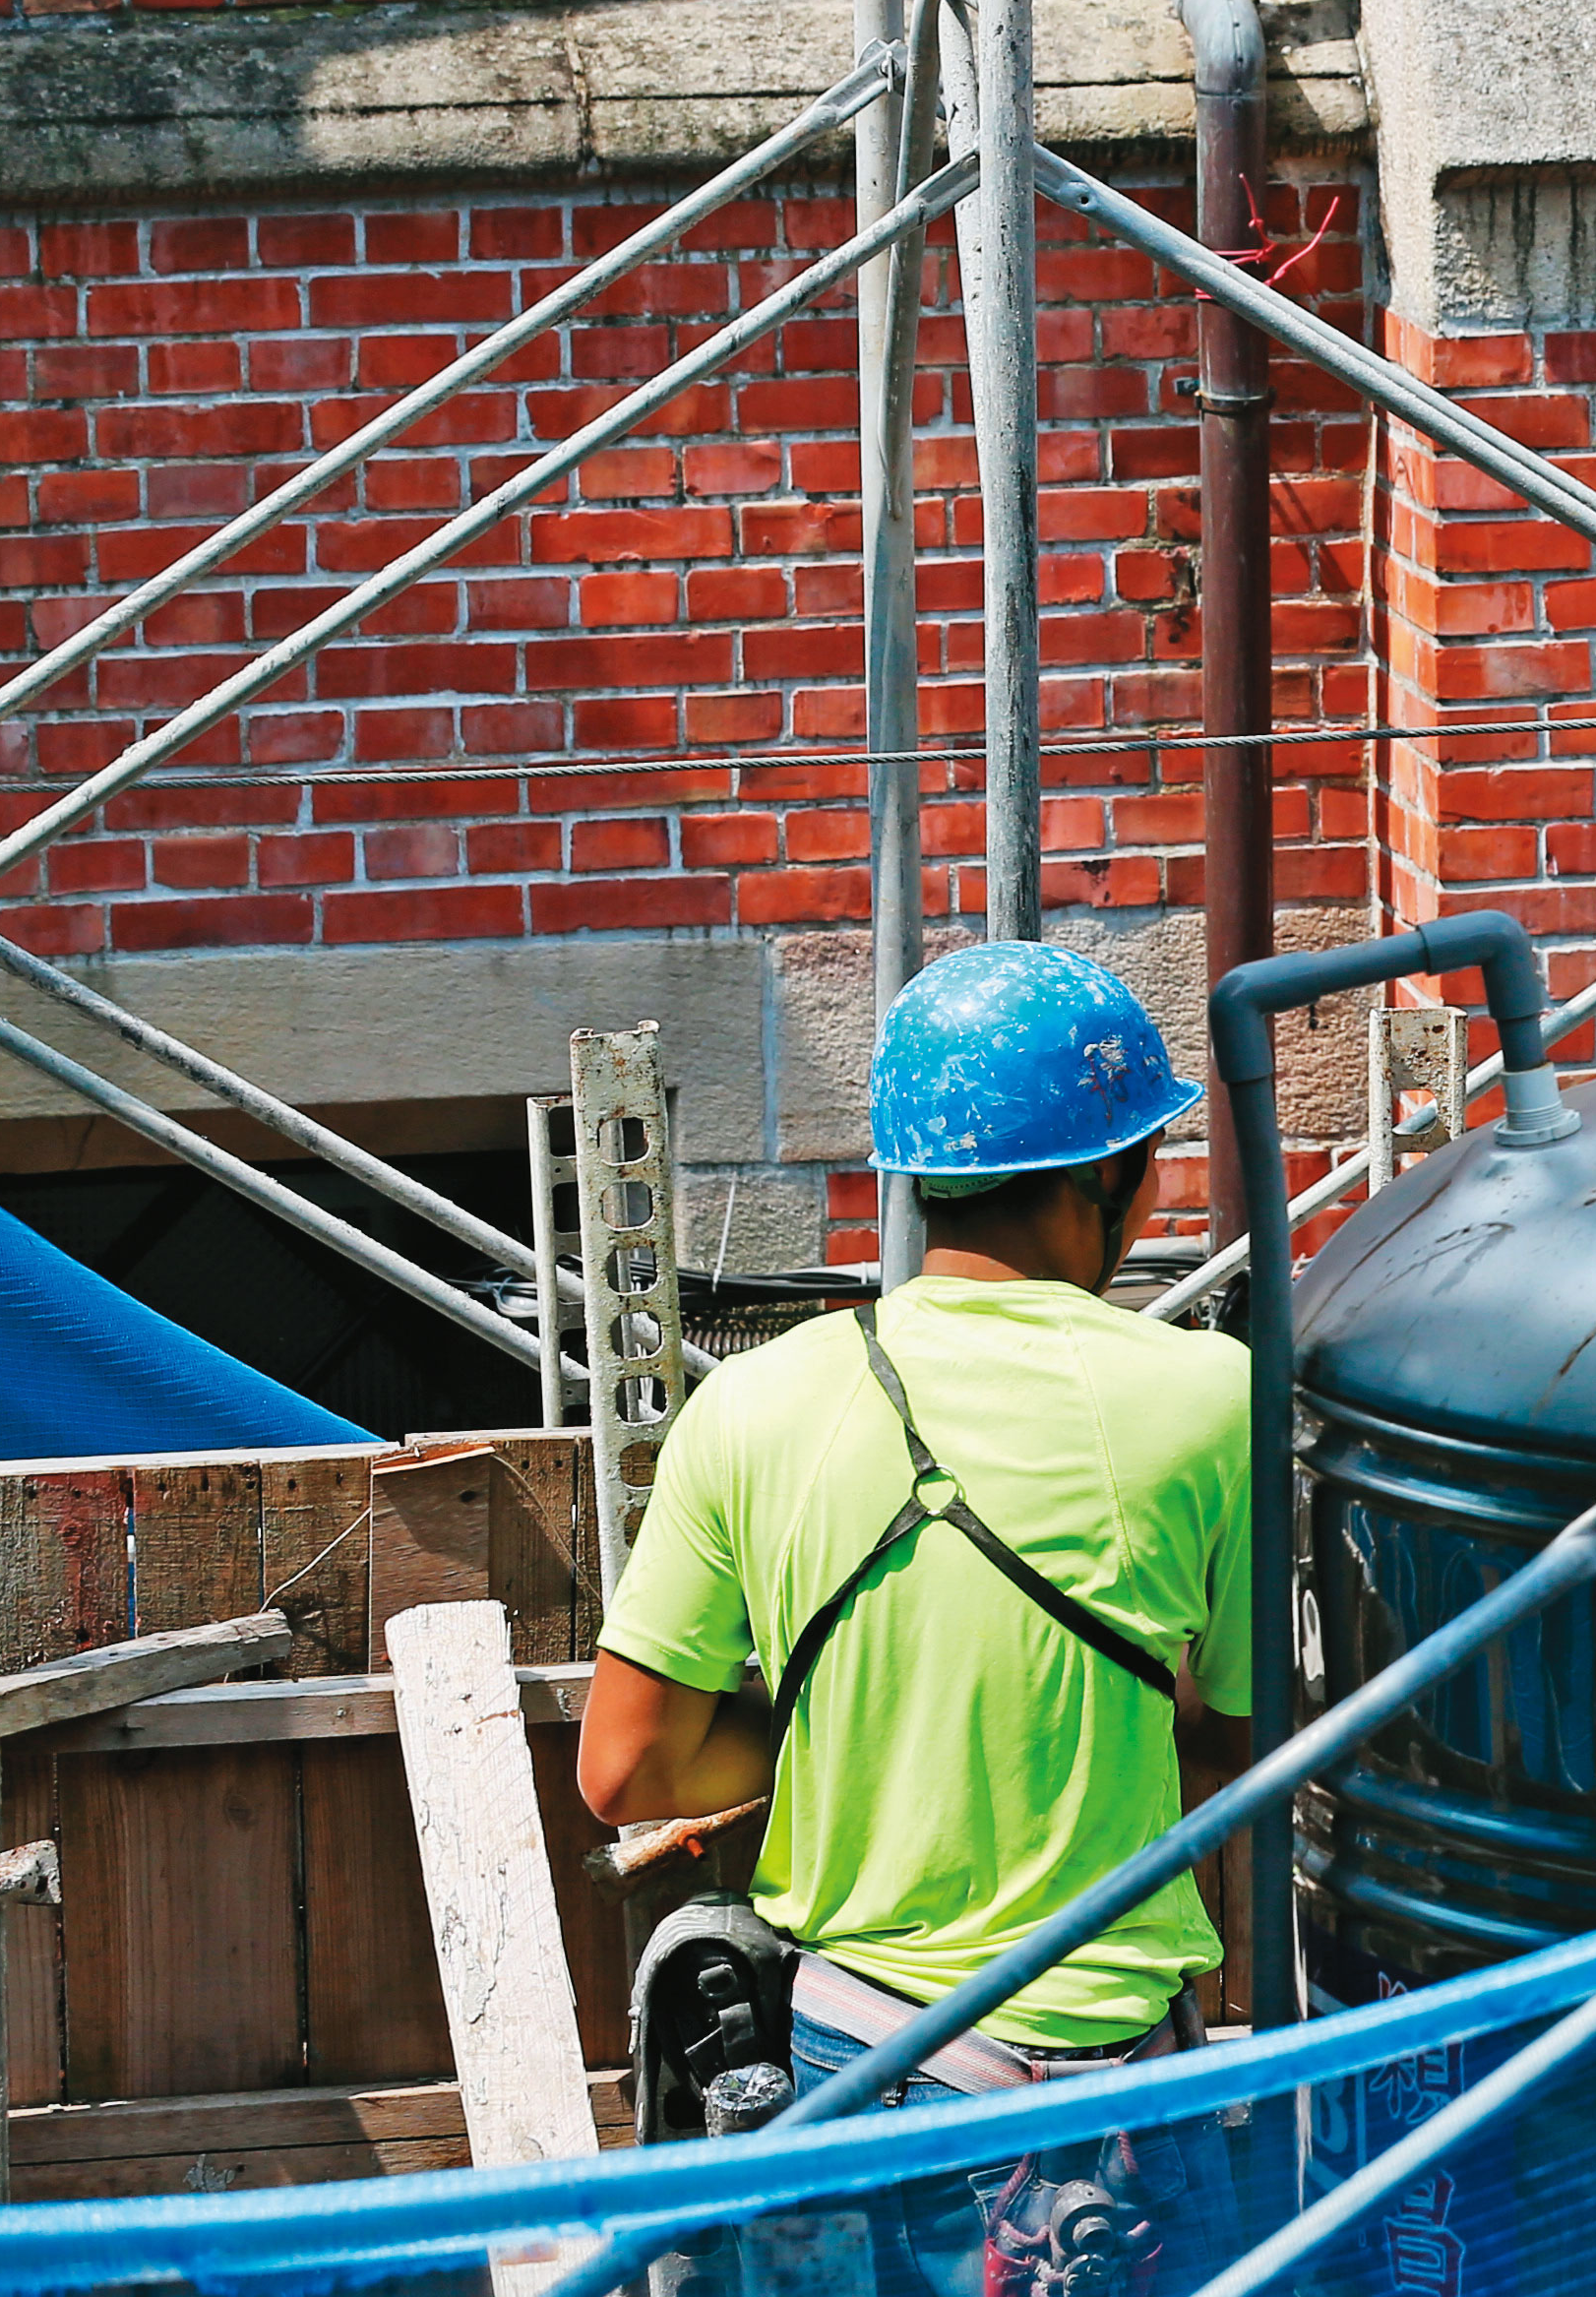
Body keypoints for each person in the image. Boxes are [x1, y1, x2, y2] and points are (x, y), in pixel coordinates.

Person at [581, 943, 1254, 2289]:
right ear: (1110, 1178)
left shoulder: (752, 1407)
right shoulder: (1209, 1399)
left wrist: (843, 1724)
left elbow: (624, 1769)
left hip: (856, 2087)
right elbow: (1237, 1740)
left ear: (914, 1172)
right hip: (1113, 2111)